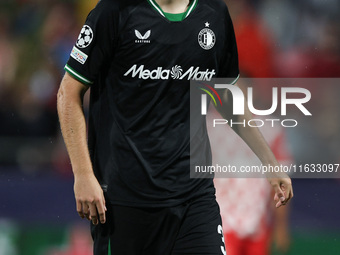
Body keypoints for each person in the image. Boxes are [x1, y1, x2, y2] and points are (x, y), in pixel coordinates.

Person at [57, 0, 293, 254]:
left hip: (193, 197)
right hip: (123, 200)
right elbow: (68, 93)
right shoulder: (113, 12)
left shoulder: (215, 14)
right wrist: (82, 174)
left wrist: (269, 163)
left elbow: (225, 97)